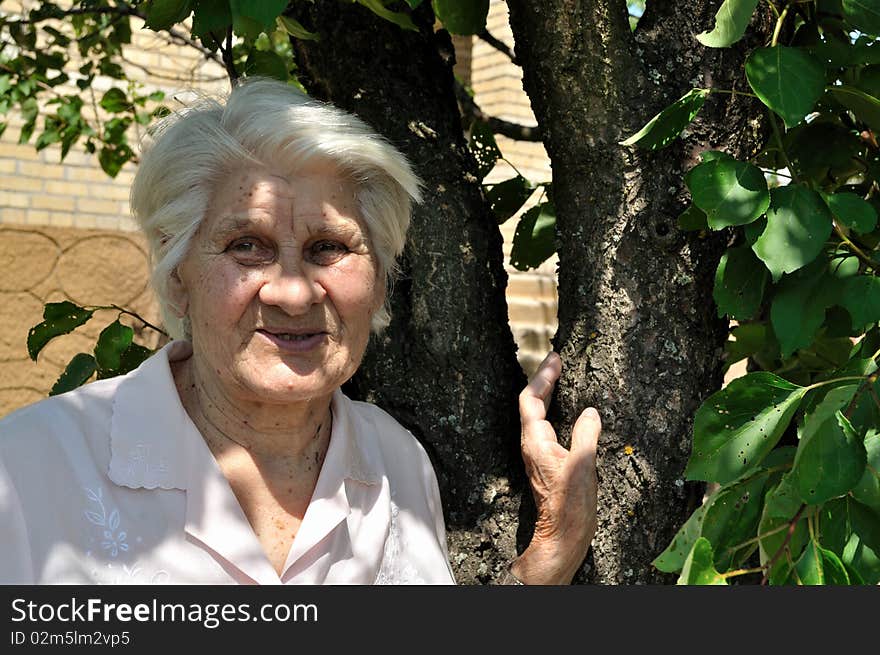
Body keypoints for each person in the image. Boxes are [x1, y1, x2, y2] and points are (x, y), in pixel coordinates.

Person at [0, 78, 599, 585]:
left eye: (329, 247)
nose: (293, 291)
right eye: (246, 246)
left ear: (382, 279)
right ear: (177, 274)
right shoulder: (32, 469)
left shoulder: (398, 462)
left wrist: (542, 566)